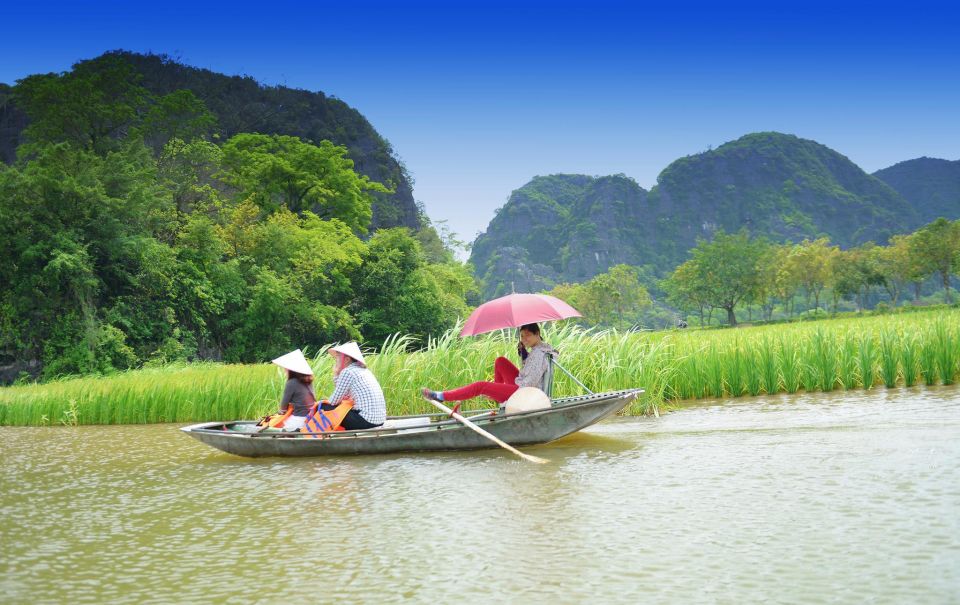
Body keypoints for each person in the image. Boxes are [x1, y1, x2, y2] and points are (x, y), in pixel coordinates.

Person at [422, 323, 556, 405]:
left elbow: (530, 381)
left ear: (537, 333)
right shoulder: (539, 349)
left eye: (527, 335)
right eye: (521, 336)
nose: (524, 339)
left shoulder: (538, 354)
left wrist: (506, 395)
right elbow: (530, 370)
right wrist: (523, 354)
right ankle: (497, 396)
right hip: (524, 386)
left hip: (525, 392)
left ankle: (442, 396)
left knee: (480, 386)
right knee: (500, 361)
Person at [320, 342, 387, 430]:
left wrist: (336, 373)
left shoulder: (348, 371)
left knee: (323, 406)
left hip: (366, 421)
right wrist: (337, 374)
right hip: (379, 420)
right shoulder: (363, 370)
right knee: (335, 406)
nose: (336, 359)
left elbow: (334, 401)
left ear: (347, 359)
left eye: (338, 357)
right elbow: (344, 396)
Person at [270, 349, 317, 431]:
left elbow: (283, 406)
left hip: (299, 419)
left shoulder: (291, 383)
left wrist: (281, 412)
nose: (285, 369)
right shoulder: (308, 380)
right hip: (311, 417)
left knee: (274, 427)